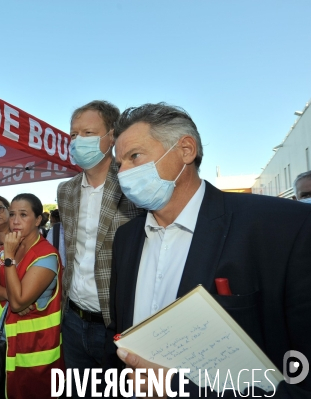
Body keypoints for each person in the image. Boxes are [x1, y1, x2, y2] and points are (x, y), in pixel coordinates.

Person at [104, 103, 311, 398]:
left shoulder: (282, 227)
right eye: (119, 164)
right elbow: (118, 329)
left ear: (186, 150)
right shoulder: (126, 238)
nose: (123, 173)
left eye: (134, 156)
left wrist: (180, 389)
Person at [56, 100, 140, 394]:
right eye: (73, 134)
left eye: (88, 133)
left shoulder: (133, 187)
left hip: (117, 326)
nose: (78, 141)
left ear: (112, 136)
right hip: (74, 320)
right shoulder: (65, 191)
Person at [0, 193, 64, 399]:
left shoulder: (46, 256)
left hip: (33, 355)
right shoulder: (13, 246)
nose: (15, 221)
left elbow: (17, 304)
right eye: (13, 214)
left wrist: (8, 257)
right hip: (2, 348)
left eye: (23, 215)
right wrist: (13, 296)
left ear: (37, 220)